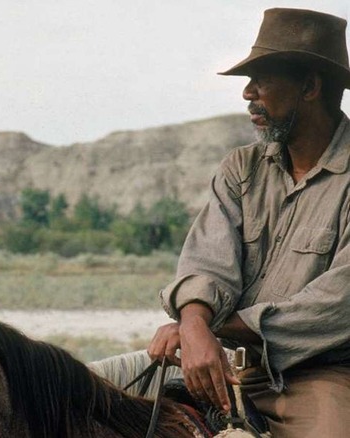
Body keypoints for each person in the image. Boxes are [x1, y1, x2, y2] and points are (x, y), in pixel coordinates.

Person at [147, 8, 350, 437]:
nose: (247, 94)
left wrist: (199, 326)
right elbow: (207, 260)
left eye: (262, 79)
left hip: (326, 377)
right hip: (231, 369)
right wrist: (196, 320)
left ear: (310, 86)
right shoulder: (242, 169)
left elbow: (336, 304)